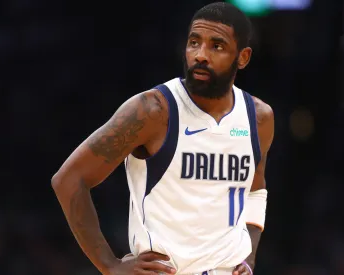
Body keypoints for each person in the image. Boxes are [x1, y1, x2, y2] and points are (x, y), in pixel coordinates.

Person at [51, 2, 274, 275]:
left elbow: (255, 190)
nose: (200, 55)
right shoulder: (153, 111)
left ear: (243, 57)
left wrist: (249, 256)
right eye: (194, 42)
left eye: (216, 46)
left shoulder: (259, 118)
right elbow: (69, 180)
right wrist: (109, 265)